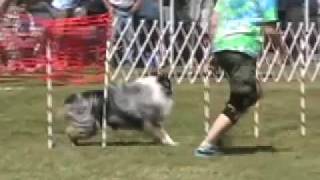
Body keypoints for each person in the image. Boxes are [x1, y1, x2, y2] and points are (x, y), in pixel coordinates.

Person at [194, 0, 280, 157]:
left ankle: (218, 134)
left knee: (251, 92)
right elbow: (270, 29)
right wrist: (282, 50)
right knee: (245, 96)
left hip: (222, 46)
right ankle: (208, 144)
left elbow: (214, 23)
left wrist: (215, 52)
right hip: (242, 47)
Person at [102, 0, 143, 66]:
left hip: (130, 9)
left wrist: (136, 6)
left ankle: (128, 60)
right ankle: (109, 59)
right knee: (112, 36)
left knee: (129, 37)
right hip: (114, 9)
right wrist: (109, 7)